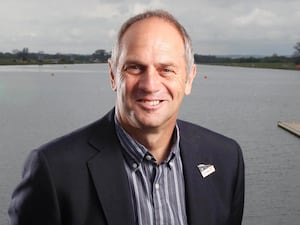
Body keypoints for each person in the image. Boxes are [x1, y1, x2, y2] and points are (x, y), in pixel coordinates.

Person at [8, 9, 244, 225]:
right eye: (135, 68)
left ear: (189, 79)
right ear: (113, 76)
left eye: (167, 70)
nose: (150, 85)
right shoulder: (53, 170)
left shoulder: (226, 159)